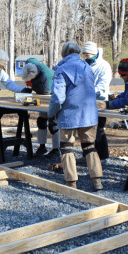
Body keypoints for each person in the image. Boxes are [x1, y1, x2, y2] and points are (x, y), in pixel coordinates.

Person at [47, 41, 103, 191]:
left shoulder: (61, 70)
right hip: (89, 115)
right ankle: (97, 181)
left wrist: (50, 114)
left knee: (66, 149)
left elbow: (58, 98)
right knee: (90, 147)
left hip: (69, 115)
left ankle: (71, 183)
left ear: (63, 54)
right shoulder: (88, 68)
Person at [21, 58, 60, 158]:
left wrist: (33, 98)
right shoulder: (29, 65)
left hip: (51, 96)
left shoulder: (46, 79)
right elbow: (30, 82)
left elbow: (44, 97)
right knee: (41, 121)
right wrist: (28, 88)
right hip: (41, 93)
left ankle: (56, 149)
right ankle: (42, 147)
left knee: (53, 123)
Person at [82, 41, 112, 161]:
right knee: (84, 129)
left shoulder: (104, 66)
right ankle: (87, 155)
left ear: (94, 54)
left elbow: (103, 85)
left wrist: (88, 92)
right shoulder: (84, 64)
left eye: (87, 55)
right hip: (85, 101)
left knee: (99, 130)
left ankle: (103, 157)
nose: (85, 57)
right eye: (84, 55)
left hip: (100, 102)